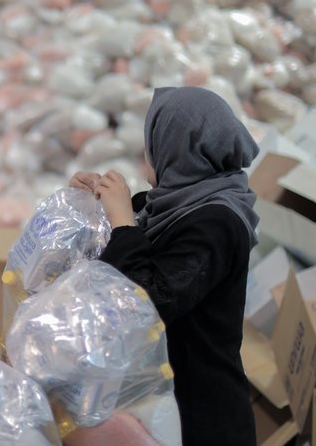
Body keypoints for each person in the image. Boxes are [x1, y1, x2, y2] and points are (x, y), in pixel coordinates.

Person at [68, 86, 259, 446]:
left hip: (199, 419)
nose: (146, 157)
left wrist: (123, 221)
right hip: (159, 406)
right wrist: (86, 204)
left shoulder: (218, 222)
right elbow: (98, 256)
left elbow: (150, 301)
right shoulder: (164, 205)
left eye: (151, 146)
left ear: (176, 149)